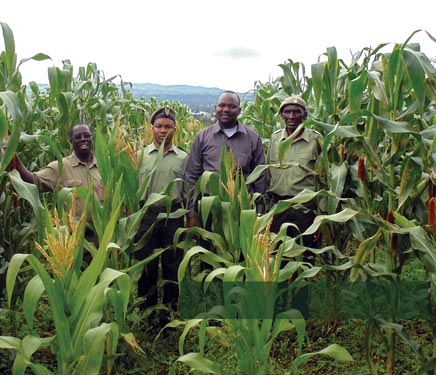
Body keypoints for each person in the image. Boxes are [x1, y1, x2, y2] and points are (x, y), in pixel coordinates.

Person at [184, 90, 266, 228]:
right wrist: (191, 213)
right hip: (210, 209)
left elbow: (260, 178)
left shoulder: (252, 138)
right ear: (215, 108)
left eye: (232, 106)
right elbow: (192, 176)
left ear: (239, 110)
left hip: (243, 210)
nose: (226, 109)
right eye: (221, 105)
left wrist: (260, 213)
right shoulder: (203, 137)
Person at [134, 107, 188, 312]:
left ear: (175, 129)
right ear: (152, 128)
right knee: (146, 263)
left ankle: (170, 310)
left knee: (172, 263)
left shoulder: (183, 158)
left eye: (168, 126)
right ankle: (146, 309)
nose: (163, 130)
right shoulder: (140, 156)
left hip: (173, 215)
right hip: (146, 214)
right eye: (158, 126)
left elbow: (188, 189)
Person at [9, 123, 104, 234]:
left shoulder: (104, 167)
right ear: (71, 142)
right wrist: (12, 156)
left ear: (92, 139)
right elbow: (34, 181)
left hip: (104, 239)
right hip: (74, 240)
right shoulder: (60, 166)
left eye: (87, 136)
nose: (83, 139)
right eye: (78, 137)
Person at [266, 95, 323, 247]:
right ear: (281, 115)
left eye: (297, 112)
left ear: (304, 115)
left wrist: (321, 218)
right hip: (278, 208)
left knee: (306, 256)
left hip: (305, 210)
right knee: (277, 257)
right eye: (287, 112)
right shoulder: (275, 139)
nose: (292, 116)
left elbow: (324, 180)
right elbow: (267, 174)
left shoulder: (316, 140)